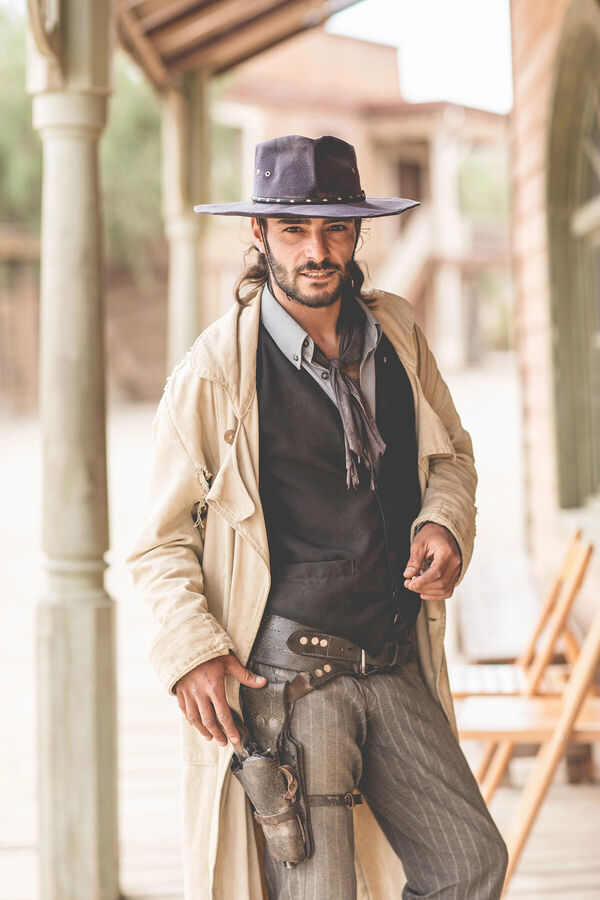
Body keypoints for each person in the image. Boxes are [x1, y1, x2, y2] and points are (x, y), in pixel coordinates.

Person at [128, 134, 508, 900]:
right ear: (259, 233)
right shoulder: (215, 371)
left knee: (470, 862)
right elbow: (160, 543)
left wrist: (442, 522)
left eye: (336, 228)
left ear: (357, 232)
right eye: (295, 229)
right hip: (288, 681)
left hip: (392, 658)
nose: (317, 251)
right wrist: (192, 650)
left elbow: (452, 457)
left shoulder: (397, 334)